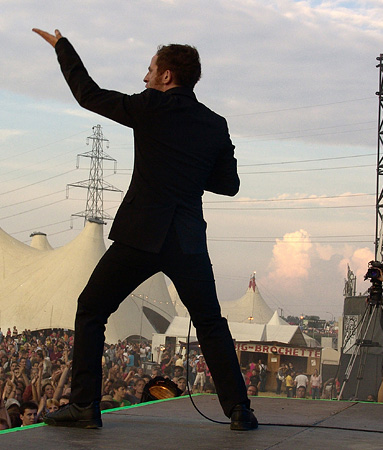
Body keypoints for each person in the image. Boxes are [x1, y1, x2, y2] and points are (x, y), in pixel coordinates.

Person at [32, 28, 256, 431]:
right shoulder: (215, 123)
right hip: (186, 239)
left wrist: (63, 48)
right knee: (210, 323)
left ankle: (84, 407)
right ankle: (240, 410)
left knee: (92, 310)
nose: (145, 77)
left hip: (141, 233)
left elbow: (89, 94)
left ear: (167, 76)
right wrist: (187, 166)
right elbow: (229, 185)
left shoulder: (150, 106)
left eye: (150, 70)